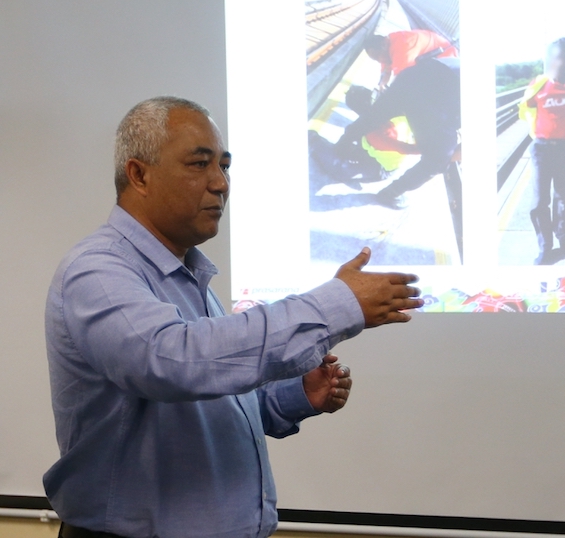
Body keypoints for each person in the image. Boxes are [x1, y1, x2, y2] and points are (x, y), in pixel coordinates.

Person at [45, 97, 422, 538]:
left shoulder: (187, 277)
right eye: (199, 164)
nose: (220, 183)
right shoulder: (100, 269)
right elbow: (170, 363)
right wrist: (334, 305)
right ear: (139, 175)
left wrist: (294, 395)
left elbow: (206, 405)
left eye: (224, 166)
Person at [337, 56, 460, 208]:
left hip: (414, 76)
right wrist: (437, 155)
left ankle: (342, 146)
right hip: (439, 99)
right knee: (437, 161)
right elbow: (459, 153)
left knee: (375, 115)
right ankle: (391, 193)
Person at [519, 38, 565, 264]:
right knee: (539, 202)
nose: (563, 63)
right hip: (542, 149)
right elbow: (526, 107)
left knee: (564, 199)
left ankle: (563, 236)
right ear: (551, 60)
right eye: (558, 57)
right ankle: (545, 246)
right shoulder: (538, 84)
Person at [309, 85, 419, 190]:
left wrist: (342, 147)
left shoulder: (380, 133)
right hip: (374, 151)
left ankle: (314, 139)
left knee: (340, 170)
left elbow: (354, 134)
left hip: (380, 166)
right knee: (351, 143)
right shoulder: (401, 114)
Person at [364, 29, 458, 91]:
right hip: (433, 59)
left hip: (447, 63)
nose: (380, 61)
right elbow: (386, 65)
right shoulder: (388, 42)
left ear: (383, 45)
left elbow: (402, 79)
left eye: (378, 57)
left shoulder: (403, 47)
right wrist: (382, 83)